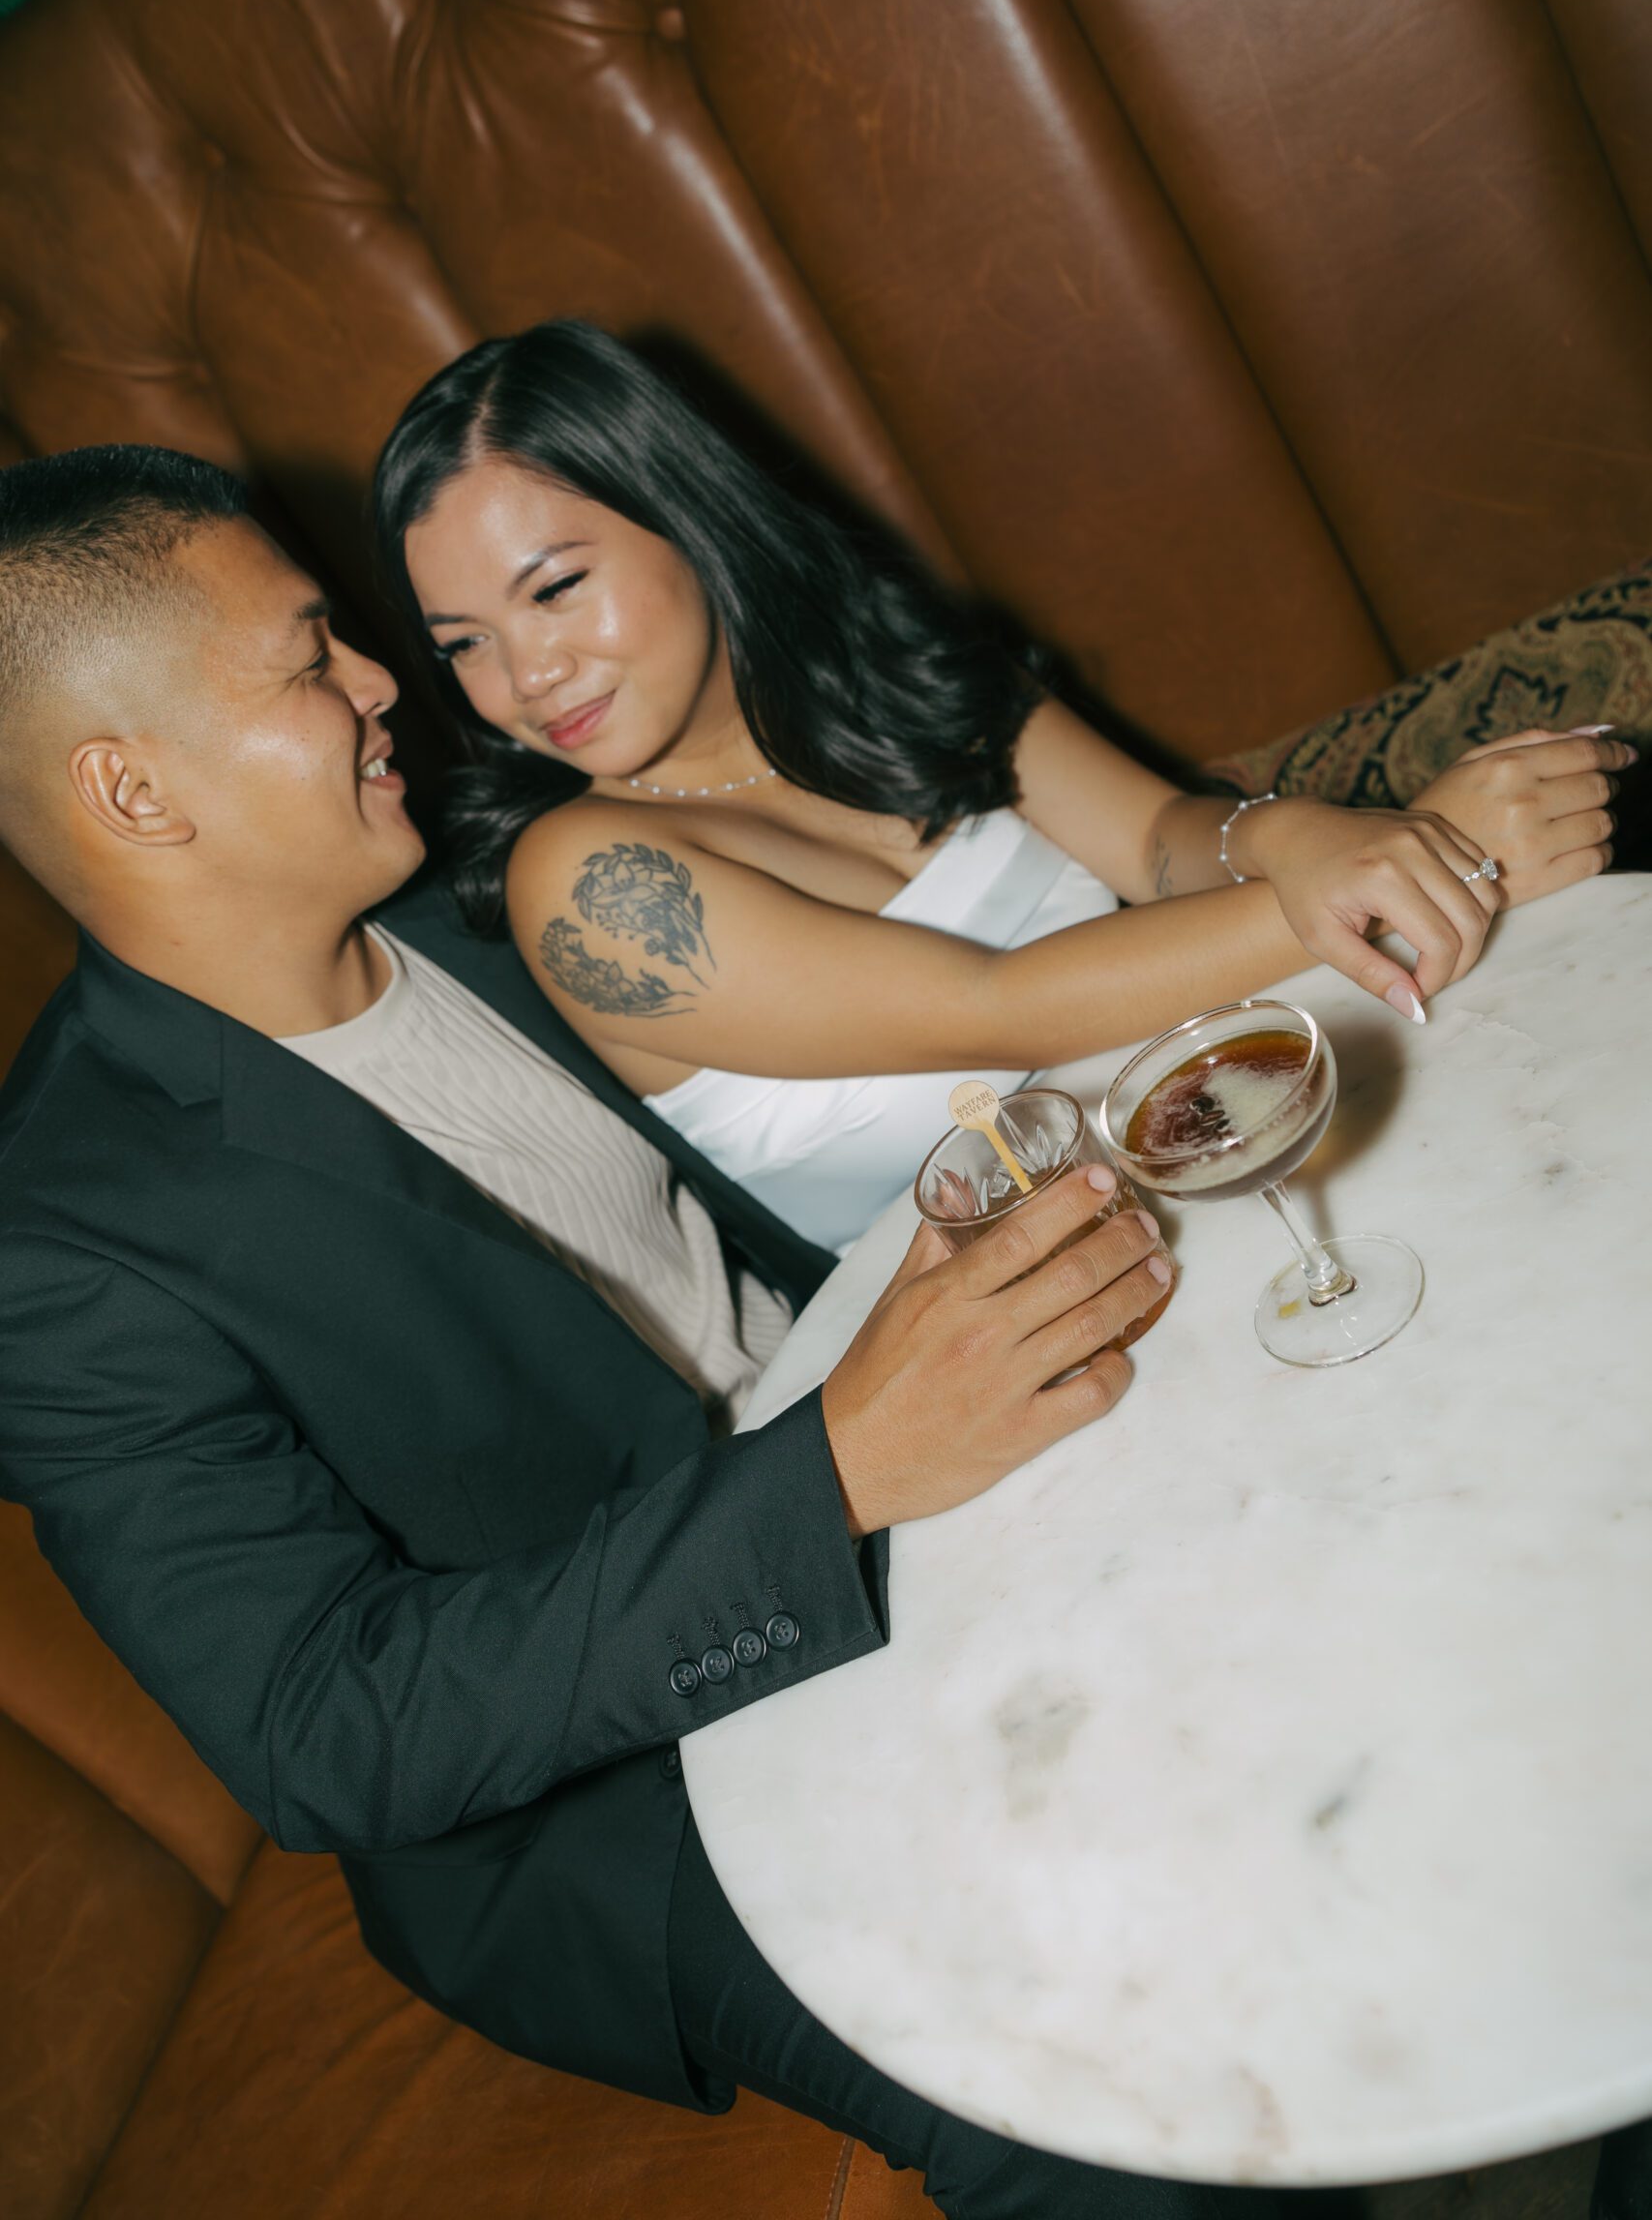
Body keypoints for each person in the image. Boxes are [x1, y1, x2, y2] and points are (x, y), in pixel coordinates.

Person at [0, 442, 1270, 2220]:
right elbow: (322, 1727)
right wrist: (835, 1473)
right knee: (1078, 2082)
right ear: (133, 792)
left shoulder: (473, 883)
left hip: (890, 1462)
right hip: (613, 1788)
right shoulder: (62, 1253)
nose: (383, 681)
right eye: (309, 659)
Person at [373, 320, 1630, 1254]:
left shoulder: (882, 663)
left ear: (685, 515)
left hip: (1226, 1155)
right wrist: (1412, 854)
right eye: (463, 643)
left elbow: (1156, 837)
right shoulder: (581, 881)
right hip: (1046, 1331)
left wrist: (1296, 837)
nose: (526, 678)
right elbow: (1005, 1008)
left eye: (554, 589)